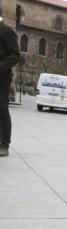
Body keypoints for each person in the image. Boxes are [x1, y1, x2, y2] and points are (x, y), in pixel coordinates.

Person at [0, 14, 20, 157]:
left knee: (1, 108)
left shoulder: (6, 31)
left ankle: (4, 144)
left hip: (2, 76)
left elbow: (15, 55)